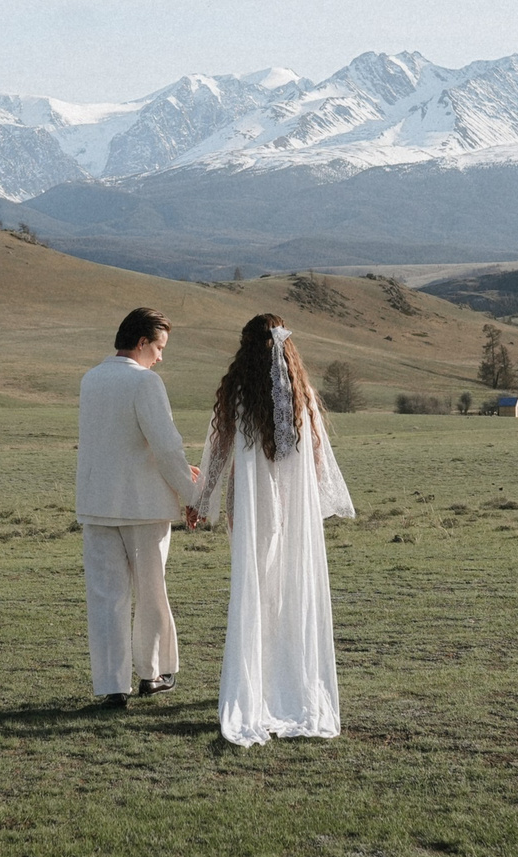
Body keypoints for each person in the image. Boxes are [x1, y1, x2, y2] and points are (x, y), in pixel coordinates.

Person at [196, 314, 356, 746]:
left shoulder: (238, 391)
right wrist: (313, 499)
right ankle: (290, 679)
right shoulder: (301, 393)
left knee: (255, 587)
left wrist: (201, 499)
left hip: (249, 506)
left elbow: (218, 450)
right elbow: (320, 456)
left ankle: (257, 681)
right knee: (291, 587)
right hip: (293, 507)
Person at [75, 307, 200, 708]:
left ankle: (113, 685)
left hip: (97, 503)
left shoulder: (90, 379)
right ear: (142, 342)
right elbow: (165, 447)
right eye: (159, 347)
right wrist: (192, 494)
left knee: (106, 597)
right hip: (143, 506)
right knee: (151, 592)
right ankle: (151, 674)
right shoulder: (146, 383)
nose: (161, 356)